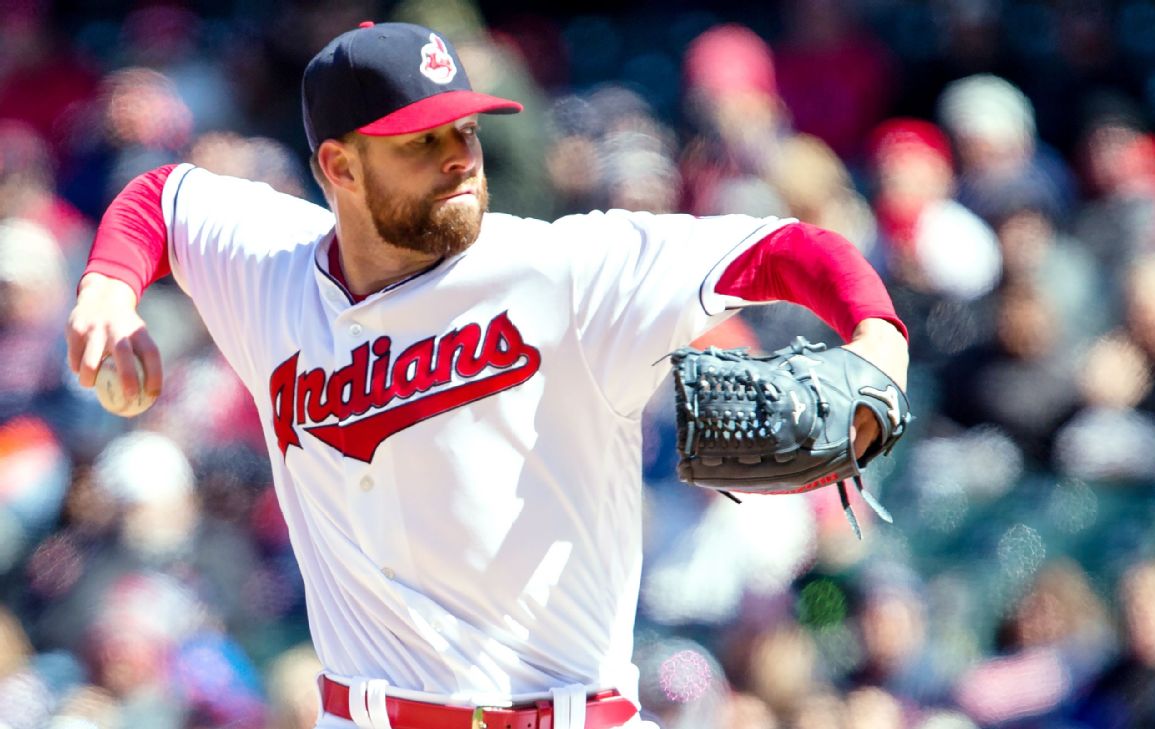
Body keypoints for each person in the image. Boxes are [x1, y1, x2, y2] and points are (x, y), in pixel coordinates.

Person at [64, 21, 909, 729]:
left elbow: (789, 249)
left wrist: (880, 338)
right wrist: (109, 286)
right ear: (339, 169)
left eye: (464, 128)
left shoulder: (568, 270)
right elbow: (162, 199)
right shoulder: (272, 266)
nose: (460, 156)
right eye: (422, 139)